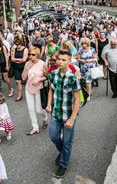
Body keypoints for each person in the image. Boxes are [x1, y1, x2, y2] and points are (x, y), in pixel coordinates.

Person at [46, 49, 81, 179]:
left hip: (68, 115)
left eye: (63, 60)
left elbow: (77, 99)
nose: (60, 62)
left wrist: (72, 119)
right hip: (56, 113)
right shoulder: (53, 74)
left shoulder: (73, 78)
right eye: (59, 59)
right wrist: (49, 104)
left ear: (69, 61)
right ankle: (63, 153)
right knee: (54, 136)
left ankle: (63, 164)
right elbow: (51, 90)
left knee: (67, 142)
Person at [22, 47, 48, 136]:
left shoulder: (42, 64)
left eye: (33, 55)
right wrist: (26, 68)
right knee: (30, 109)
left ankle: (45, 117)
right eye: (29, 54)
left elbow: (47, 76)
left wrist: (40, 79)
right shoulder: (27, 64)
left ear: (38, 55)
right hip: (28, 88)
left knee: (39, 110)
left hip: (39, 89)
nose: (31, 56)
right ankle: (35, 127)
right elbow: (23, 78)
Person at [11, 37, 28, 102]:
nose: (17, 45)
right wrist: (19, 60)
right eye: (16, 44)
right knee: (18, 82)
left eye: (18, 44)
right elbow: (12, 58)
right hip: (17, 67)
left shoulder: (25, 49)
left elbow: (24, 59)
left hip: (24, 67)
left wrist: (16, 60)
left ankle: (29, 94)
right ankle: (19, 95)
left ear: (21, 43)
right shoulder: (15, 49)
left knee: (26, 81)